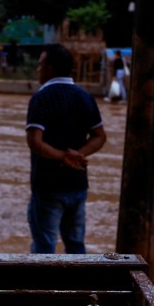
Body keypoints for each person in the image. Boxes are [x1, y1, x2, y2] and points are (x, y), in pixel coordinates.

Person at [26, 44, 107, 254]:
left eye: (40, 65)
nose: (38, 70)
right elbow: (99, 136)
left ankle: (42, 278)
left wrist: (62, 156)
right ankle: (79, 277)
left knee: (44, 246)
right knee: (76, 245)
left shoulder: (41, 98)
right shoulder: (85, 97)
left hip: (48, 185)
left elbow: (35, 142)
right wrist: (78, 155)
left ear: (50, 68)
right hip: (78, 184)